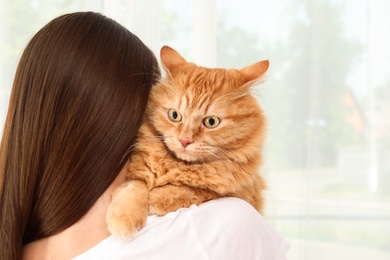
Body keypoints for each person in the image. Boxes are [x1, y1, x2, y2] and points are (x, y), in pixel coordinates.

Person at [0, 12, 289, 260]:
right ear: (127, 115)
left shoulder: (13, 244)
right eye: (168, 114)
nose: (183, 137)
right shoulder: (219, 226)